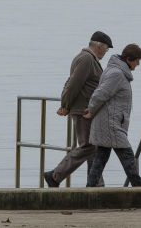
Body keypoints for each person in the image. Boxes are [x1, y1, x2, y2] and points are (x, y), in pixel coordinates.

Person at [43, 31, 113, 188]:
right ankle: (55, 175)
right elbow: (73, 83)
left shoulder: (87, 58)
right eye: (106, 49)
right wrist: (65, 105)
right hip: (83, 110)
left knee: (92, 146)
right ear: (99, 46)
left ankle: (95, 183)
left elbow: (71, 81)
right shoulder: (86, 59)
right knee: (88, 146)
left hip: (87, 109)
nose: (106, 53)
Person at [84, 43, 141, 187]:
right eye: (137, 61)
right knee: (129, 160)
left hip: (110, 122)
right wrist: (91, 109)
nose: (138, 65)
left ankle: (89, 191)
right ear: (129, 59)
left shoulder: (114, 70)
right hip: (111, 124)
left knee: (100, 159)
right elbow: (100, 93)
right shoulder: (117, 74)